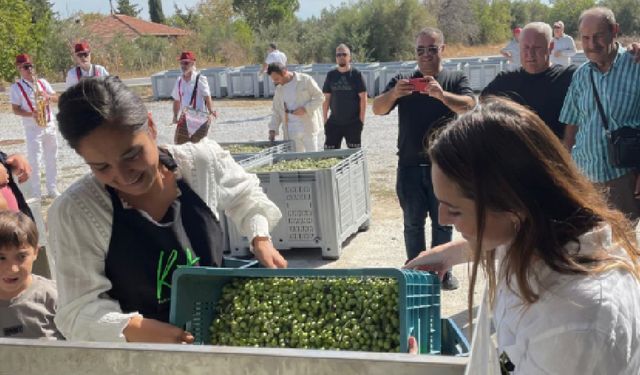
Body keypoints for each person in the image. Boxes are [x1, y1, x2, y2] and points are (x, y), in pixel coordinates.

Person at [406, 97, 640, 374]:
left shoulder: (573, 321)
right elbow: (499, 239)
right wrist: (447, 255)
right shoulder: (537, 229)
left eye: (454, 211)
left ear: (512, 205)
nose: (442, 218)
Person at [50, 76, 287, 343]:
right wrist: (139, 330)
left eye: (131, 155)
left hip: (214, 331)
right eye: (101, 167)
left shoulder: (199, 163)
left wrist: (260, 238)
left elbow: (246, 195)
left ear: (150, 126)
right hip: (135, 358)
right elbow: (77, 311)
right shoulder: (77, 211)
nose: (124, 176)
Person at [372, 27, 475, 290]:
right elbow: (377, 109)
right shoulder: (402, 80)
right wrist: (394, 93)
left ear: (443, 49)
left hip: (444, 168)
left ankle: (443, 272)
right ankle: (415, 272)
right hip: (408, 165)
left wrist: (441, 95)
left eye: (432, 49)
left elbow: (469, 105)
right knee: (412, 224)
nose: (426, 55)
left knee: (444, 224)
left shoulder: (454, 78)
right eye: (420, 50)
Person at [560, 7, 640, 222]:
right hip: (585, 178)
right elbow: (571, 127)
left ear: (614, 31)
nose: (591, 45)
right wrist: (567, 173)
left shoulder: (636, 65)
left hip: (623, 178)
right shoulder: (581, 75)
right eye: (585, 38)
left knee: (626, 245)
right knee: (592, 244)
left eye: (598, 36)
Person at [482, 22, 575, 139]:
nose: (530, 54)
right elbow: (479, 105)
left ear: (550, 47)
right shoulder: (505, 81)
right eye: (525, 47)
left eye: (537, 48)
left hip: (557, 154)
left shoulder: (568, 78)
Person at [0, 211, 63, 339]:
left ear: (35, 252)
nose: (12, 269)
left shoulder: (55, 298)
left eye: (21, 256)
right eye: (1, 257)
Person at [10, 53, 60, 199]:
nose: (30, 69)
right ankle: (37, 192)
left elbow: (56, 97)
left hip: (49, 124)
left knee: (52, 157)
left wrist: (48, 97)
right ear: (19, 68)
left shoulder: (42, 82)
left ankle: (52, 188)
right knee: (35, 160)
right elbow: (15, 109)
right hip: (33, 128)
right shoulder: (16, 87)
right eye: (26, 67)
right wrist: (30, 114)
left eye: (31, 65)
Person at [267, 63, 323, 152]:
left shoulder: (305, 79)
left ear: (284, 72)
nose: (276, 82)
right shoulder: (279, 89)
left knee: (313, 159)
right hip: (290, 131)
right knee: (296, 160)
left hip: (308, 129)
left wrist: (305, 109)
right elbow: (276, 111)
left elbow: (320, 97)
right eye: (274, 80)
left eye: (277, 79)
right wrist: (273, 129)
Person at [322, 44, 367, 149]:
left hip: (353, 123)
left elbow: (363, 98)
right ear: (336, 58)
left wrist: (361, 120)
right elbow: (326, 98)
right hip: (333, 123)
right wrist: (325, 119)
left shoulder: (356, 74)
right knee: (329, 155)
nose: (341, 57)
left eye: (344, 54)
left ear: (349, 57)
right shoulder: (331, 75)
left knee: (354, 156)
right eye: (338, 55)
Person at [171, 51, 216, 145]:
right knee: (181, 145)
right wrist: (175, 116)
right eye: (181, 63)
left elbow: (207, 97)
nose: (183, 65)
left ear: (193, 63)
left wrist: (211, 111)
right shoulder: (179, 81)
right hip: (184, 119)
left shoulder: (200, 78)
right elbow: (176, 100)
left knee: (198, 146)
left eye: (186, 63)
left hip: (198, 119)